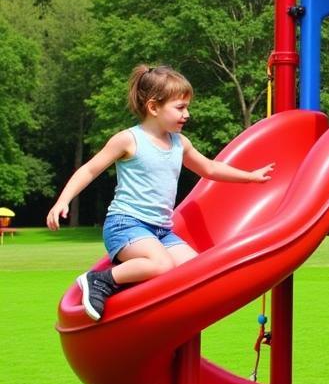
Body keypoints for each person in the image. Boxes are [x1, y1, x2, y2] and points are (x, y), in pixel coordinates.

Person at [46, 65, 274, 321]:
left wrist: (250, 177)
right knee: (162, 264)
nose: (186, 114)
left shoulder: (180, 143)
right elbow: (89, 170)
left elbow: (209, 168)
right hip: (126, 224)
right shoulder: (129, 140)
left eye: (187, 107)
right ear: (154, 107)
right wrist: (63, 200)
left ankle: (154, 306)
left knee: (198, 270)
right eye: (180, 108)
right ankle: (100, 280)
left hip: (161, 231)